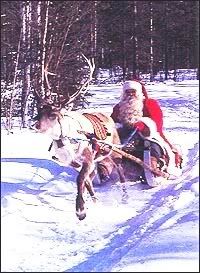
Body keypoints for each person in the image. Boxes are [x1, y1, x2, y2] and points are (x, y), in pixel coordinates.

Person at [111, 79, 183, 178]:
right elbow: (112, 122)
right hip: (124, 137)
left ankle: (156, 163)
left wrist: (143, 124)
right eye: (127, 92)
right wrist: (116, 128)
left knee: (152, 145)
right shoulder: (118, 107)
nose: (130, 94)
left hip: (147, 135)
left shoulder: (149, 104)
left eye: (133, 91)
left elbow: (157, 123)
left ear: (139, 92)